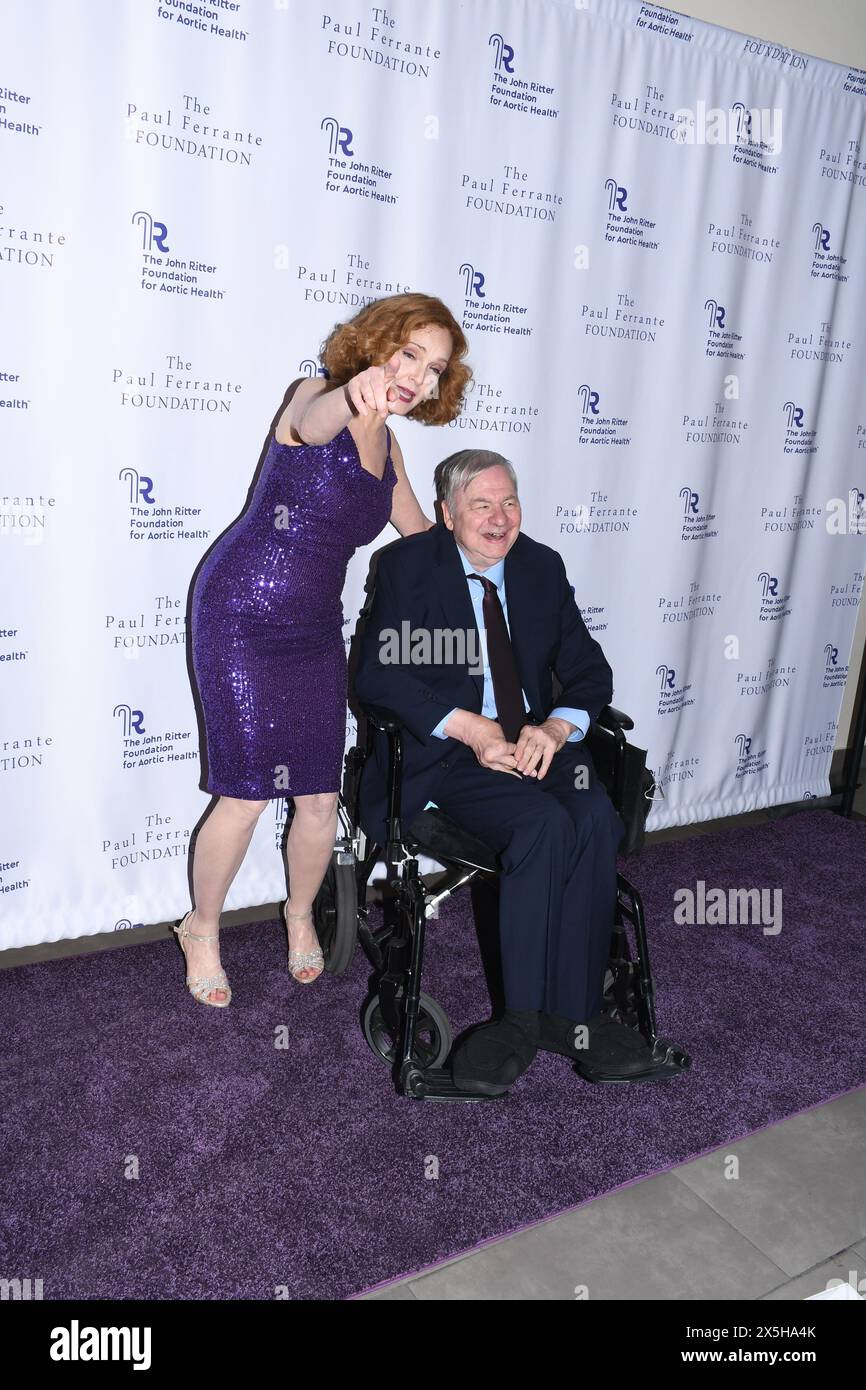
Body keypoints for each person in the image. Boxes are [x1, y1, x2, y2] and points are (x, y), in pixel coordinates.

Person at [177, 293, 472, 1007]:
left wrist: (477, 541)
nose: (417, 376)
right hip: (242, 613)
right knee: (246, 796)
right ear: (376, 345)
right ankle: (201, 928)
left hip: (313, 630)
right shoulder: (314, 396)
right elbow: (313, 423)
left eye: (434, 369)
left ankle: (300, 914)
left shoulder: (391, 448)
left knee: (318, 796)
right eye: (408, 354)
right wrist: (351, 394)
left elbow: (419, 536)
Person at [354, 449, 659, 1093]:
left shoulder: (541, 567)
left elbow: (589, 669)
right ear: (447, 513)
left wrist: (556, 728)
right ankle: (520, 1020)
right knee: (542, 825)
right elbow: (378, 675)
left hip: (535, 743)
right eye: (482, 505)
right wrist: (469, 727)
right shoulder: (408, 567)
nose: (500, 519)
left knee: (594, 817)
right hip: (449, 755)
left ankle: (573, 1017)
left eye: (509, 502)